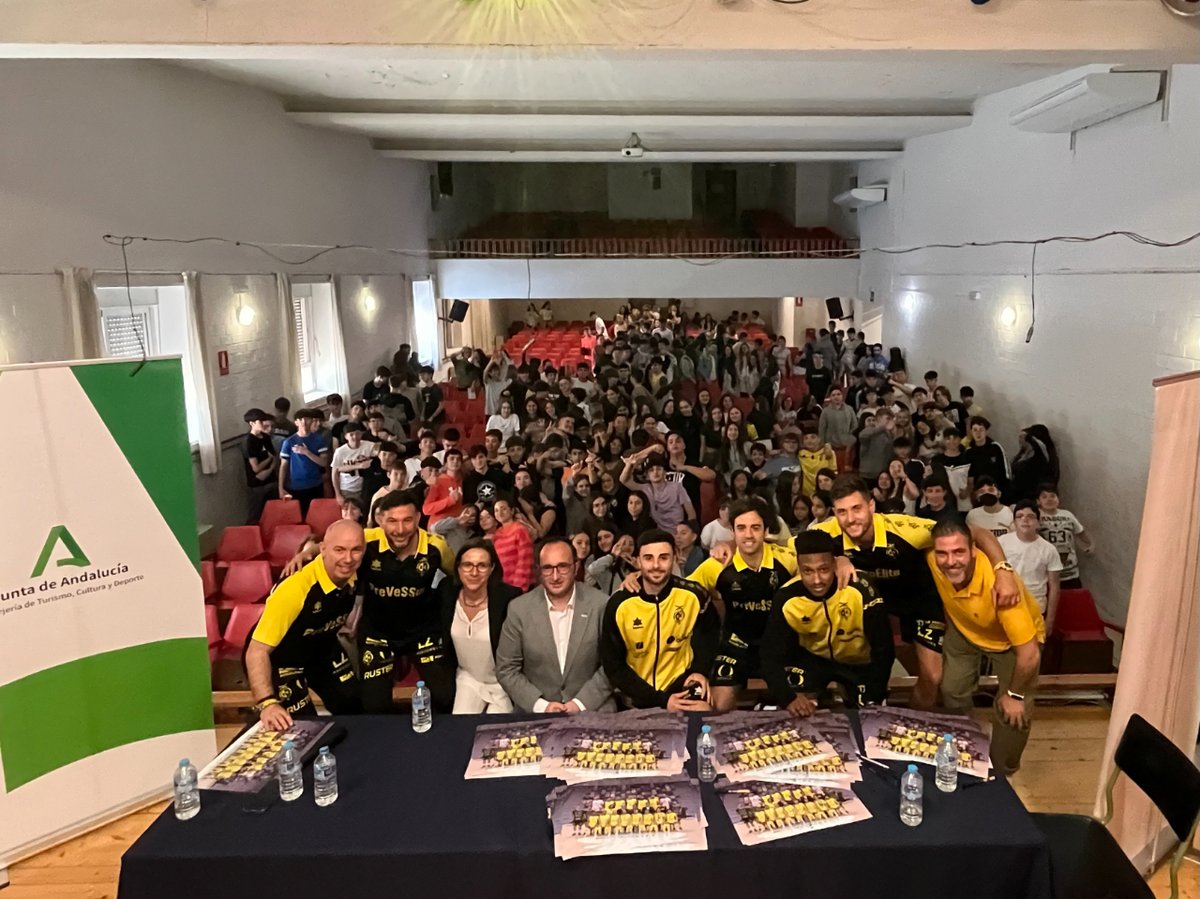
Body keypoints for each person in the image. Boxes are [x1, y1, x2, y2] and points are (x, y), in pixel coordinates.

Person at [814, 474, 1021, 710]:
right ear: (833, 512)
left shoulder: (907, 529)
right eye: (842, 512)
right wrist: (834, 558)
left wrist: (1003, 571)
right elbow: (789, 553)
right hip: (871, 607)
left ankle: (911, 729)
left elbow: (978, 533)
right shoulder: (824, 534)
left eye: (856, 509)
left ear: (871, 505)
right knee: (849, 669)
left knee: (933, 676)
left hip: (919, 600)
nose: (850, 519)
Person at [928, 519, 1044, 776]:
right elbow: (977, 529)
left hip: (1010, 643)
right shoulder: (932, 557)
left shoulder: (1001, 591)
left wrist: (1014, 695)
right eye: (942, 553)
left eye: (959, 552)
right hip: (964, 628)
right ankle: (967, 747)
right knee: (951, 689)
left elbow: (1030, 654)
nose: (950, 561)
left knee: (1014, 711)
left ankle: (1003, 772)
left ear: (973, 550)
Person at [246, 520, 365, 730]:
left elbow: (389, 532)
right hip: (281, 660)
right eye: (339, 550)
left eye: (356, 550)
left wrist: (307, 551)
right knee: (300, 728)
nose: (348, 559)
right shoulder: (295, 589)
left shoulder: (354, 569)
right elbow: (256, 652)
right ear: (324, 549)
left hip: (322, 650)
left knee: (354, 704)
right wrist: (267, 703)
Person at [760, 530, 894, 716]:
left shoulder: (861, 590)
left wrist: (876, 691)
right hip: (813, 661)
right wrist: (788, 698)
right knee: (799, 712)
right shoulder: (786, 598)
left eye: (823, 570)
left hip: (859, 664)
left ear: (834, 564)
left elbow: (884, 648)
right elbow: (769, 654)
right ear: (799, 568)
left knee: (869, 716)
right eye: (808, 571)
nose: (816, 580)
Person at [688, 496, 798, 711]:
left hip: (780, 649)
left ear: (766, 530)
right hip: (735, 647)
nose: (748, 535)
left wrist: (840, 561)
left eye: (755, 528)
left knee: (801, 707)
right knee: (718, 706)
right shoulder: (716, 565)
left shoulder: (787, 560)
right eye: (741, 528)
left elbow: (819, 567)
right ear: (733, 532)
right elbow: (681, 590)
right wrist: (635, 578)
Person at [357, 490, 456, 713]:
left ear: (418, 518)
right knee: (373, 708)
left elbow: (457, 576)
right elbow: (330, 546)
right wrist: (307, 551)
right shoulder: (366, 540)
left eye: (407, 520)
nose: (400, 530)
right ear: (380, 519)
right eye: (392, 521)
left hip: (423, 632)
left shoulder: (437, 547)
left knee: (445, 697)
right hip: (378, 634)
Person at [600, 529, 720, 710]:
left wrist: (699, 671)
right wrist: (661, 701)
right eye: (648, 558)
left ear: (675, 557)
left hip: (681, 691)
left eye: (663, 557)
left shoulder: (695, 596)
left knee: (703, 712)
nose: (656, 565)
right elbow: (613, 666)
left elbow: (709, 638)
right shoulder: (619, 604)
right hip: (635, 699)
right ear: (638, 561)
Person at [496, 537, 616, 713]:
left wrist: (580, 704)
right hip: (535, 712)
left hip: (594, 709)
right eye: (548, 568)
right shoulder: (518, 609)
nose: (555, 576)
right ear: (539, 571)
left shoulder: (601, 604)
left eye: (562, 567)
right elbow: (506, 669)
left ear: (575, 567)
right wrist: (542, 706)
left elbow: (613, 665)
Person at [438, 540, 520, 714]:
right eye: (467, 565)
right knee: (460, 731)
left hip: (502, 684)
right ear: (458, 568)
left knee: (495, 736)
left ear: (492, 569)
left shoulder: (509, 599)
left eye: (482, 565)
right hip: (467, 679)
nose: (474, 572)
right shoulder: (446, 592)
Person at [1000, 501, 1063, 632]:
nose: (1025, 520)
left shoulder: (1049, 549)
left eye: (1030, 516)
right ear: (1014, 523)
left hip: (1035, 608)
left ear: (1038, 522)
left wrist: (1050, 621)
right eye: (1020, 516)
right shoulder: (1001, 542)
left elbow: (1055, 587)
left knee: (1034, 651)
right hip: (1007, 606)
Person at [621, 450, 695, 532]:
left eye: (659, 469)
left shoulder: (676, 487)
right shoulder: (646, 489)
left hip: (678, 532)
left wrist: (687, 531)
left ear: (664, 472)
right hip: (658, 534)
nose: (655, 472)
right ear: (647, 476)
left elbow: (691, 513)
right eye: (651, 470)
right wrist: (629, 464)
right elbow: (623, 480)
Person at [1036, 484, 1093, 589]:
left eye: (1052, 496)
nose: (1049, 499)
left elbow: (1080, 531)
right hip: (1047, 572)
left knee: (1074, 600)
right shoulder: (1036, 516)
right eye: (1044, 497)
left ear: (1058, 499)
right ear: (1038, 501)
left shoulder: (1067, 515)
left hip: (1070, 570)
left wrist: (1090, 544)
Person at [278, 408, 330, 516]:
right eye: (300, 419)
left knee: (317, 515)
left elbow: (323, 462)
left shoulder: (319, 440)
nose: (304, 422)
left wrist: (306, 452)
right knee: (299, 516)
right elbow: (283, 466)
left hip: (315, 484)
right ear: (296, 422)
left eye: (307, 419)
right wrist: (280, 488)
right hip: (296, 487)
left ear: (311, 421)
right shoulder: (289, 442)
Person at [489, 496, 536, 592]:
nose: (500, 513)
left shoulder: (520, 529)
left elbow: (525, 560)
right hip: (503, 585)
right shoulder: (497, 533)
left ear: (512, 511)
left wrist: (519, 587)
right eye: (496, 510)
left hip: (520, 585)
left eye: (503, 509)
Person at [241, 407, 278, 523]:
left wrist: (270, 468)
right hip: (257, 484)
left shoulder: (266, 437)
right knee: (256, 515)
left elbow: (274, 455)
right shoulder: (248, 441)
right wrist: (269, 459)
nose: (263, 424)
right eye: (260, 422)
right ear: (252, 423)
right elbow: (256, 468)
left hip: (271, 479)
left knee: (274, 513)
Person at [964, 415, 1010, 498]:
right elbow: (969, 476)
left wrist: (1004, 491)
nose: (978, 433)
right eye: (975, 430)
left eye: (981, 430)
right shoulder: (968, 452)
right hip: (979, 494)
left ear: (986, 431)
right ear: (971, 432)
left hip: (998, 491)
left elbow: (1006, 471)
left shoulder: (996, 447)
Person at [330, 422, 374, 507]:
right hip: (347, 489)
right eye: (351, 434)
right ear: (346, 436)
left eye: (357, 433)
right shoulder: (340, 451)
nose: (355, 437)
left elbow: (379, 450)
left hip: (365, 488)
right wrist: (338, 494)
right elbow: (335, 473)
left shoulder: (368, 445)